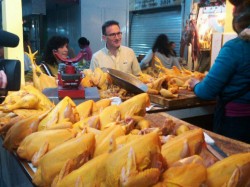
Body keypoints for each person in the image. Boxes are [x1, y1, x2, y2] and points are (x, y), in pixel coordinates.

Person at [188, 0, 250, 143]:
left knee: (233, 161)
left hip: (236, 123)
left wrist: (196, 84)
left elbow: (206, 92)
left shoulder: (235, 48)